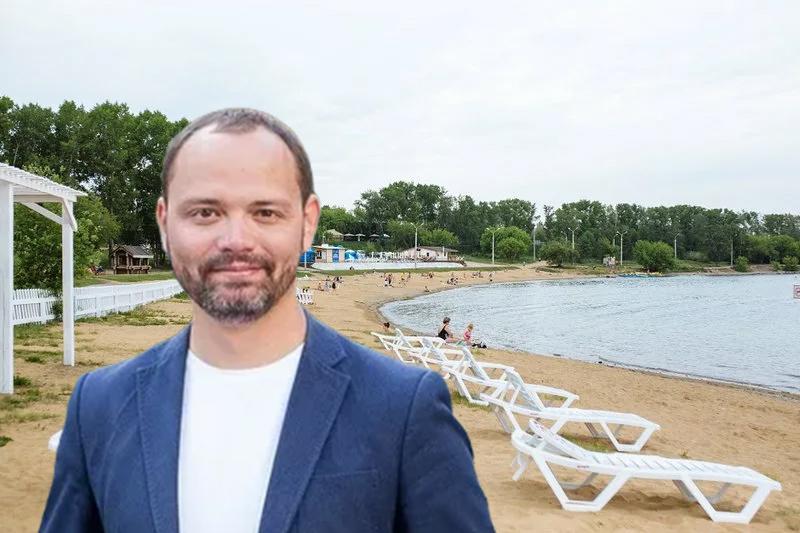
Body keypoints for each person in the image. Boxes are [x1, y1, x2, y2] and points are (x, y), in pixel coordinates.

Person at [41, 108, 493, 533]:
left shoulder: (404, 410)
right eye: (205, 212)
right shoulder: (98, 408)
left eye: (266, 213)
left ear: (307, 224)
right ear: (164, 224)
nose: (236, 240)